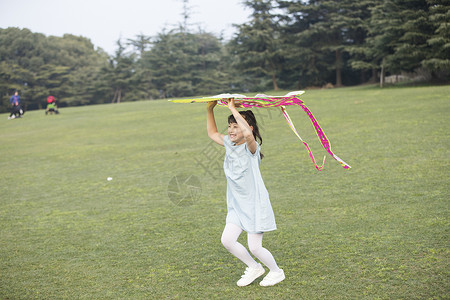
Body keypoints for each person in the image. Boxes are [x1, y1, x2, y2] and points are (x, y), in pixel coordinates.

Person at [206, 99, 285, 287]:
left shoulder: (252, 148)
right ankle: (255, 268)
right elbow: (212, 133)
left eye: (236, 126)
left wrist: (233, 108)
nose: (231, 130)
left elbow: (249, 135)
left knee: (255, 247)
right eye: (230, 126)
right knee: (227, 240)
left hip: (255, 205)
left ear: (247, 127)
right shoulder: (229, 143)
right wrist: (209, 109)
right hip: (237, 205)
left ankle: (276, 272)